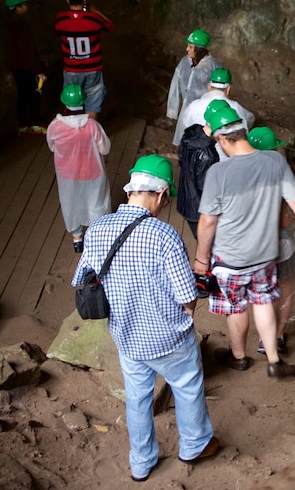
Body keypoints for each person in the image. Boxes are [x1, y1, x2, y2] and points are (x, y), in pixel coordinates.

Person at [72, 154, 218, 482]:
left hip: (126, 336)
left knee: (137, 397)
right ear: (162, 195)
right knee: (187, 384)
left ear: (130, 190)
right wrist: (185, 318)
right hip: (168, 336)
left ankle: (141, 461)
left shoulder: (97, 228)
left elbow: (81, 278)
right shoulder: (164, 236)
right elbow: (187, 296)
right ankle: (194, 444)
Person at [193, 107, 295, 378]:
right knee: (262, 303)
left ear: (222, 139)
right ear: (242, 132)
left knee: (236, 307)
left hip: (230, 258)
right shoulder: (274, 162)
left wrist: (202, 259)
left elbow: (208, 222)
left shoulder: (218, 173)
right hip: (264, 255)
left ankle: (238, 357)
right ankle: (274, 361)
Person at [247, 126, 295, 355]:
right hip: (280, 245)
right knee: (285, 288)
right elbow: (285, 220)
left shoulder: (240, 176)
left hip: (253, 246)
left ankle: (262, 337)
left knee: (261, 291)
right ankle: (277, 334)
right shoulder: (279, 175)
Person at [47, 84, 112, 253]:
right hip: (93, 173)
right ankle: (96, 236)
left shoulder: (55, 126)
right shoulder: (92, 126)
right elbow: (105, 148)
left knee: (71, 204)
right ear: (84, 103)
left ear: (64, 104)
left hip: (67, 175)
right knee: (96, 203)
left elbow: (52, 147)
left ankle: (77, 238)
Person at [54, 0, 113, 121]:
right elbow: (110, 26)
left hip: (71, 70)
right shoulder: (95, 20)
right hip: (93, 69)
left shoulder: (60, 20)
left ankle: (73, 132)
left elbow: (58, 33)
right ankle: (89, 133)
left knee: (72, 101)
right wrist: (94, 10)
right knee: (92, 104)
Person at [177, 99, 232, 238]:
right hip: (198, 210)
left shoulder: (191, 133)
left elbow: (181, 160)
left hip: (185, 198)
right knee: (206, 241)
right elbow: (207, 190)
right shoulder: (208, 155)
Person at [172, 67, 254, 148]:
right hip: (227, 157)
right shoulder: (235, 107)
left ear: (208, 86)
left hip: (198, 155)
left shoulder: (194, 106)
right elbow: (250, 119)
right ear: (228, 89)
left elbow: (185, 125)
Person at [4, 0, 47, 135]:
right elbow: (27, 51)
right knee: (35, 94)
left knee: (23, 96)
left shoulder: (10, 25)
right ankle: (35, 123)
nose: (27, 6)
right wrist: (38, 70)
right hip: (27, 68)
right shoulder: (20, 27)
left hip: (18, 68)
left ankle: (22, 125)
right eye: (24, 4)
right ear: (17, 8)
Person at [166, 29, 218, 125]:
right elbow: (175, 85)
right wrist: (172, 108)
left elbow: (218, 91)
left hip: (203, 112)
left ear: (199, 49)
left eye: (190, 47)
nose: (187, 49)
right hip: (186, 108)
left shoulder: (212, 66)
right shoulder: (185, 62)